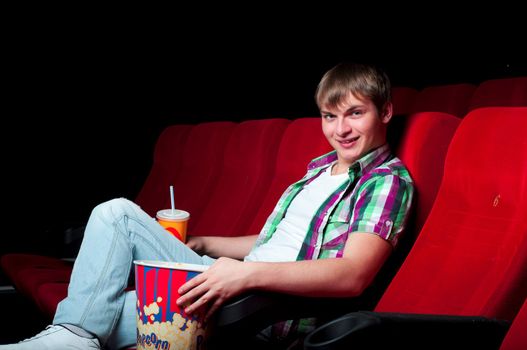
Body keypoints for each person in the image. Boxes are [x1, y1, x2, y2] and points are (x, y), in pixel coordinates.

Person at [0, 62, 414, 350]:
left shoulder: (386, 181)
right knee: (115, 215)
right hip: (235, 277)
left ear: (386, 111)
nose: (340, 130)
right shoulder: (321, 167)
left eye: (355, 114)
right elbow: (277, 240)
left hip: (259, 306)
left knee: (96, 310)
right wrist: (208, 243)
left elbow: (352, 275)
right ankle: (74, 335)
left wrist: (247, 275)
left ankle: (73, 334)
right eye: (329, 116)